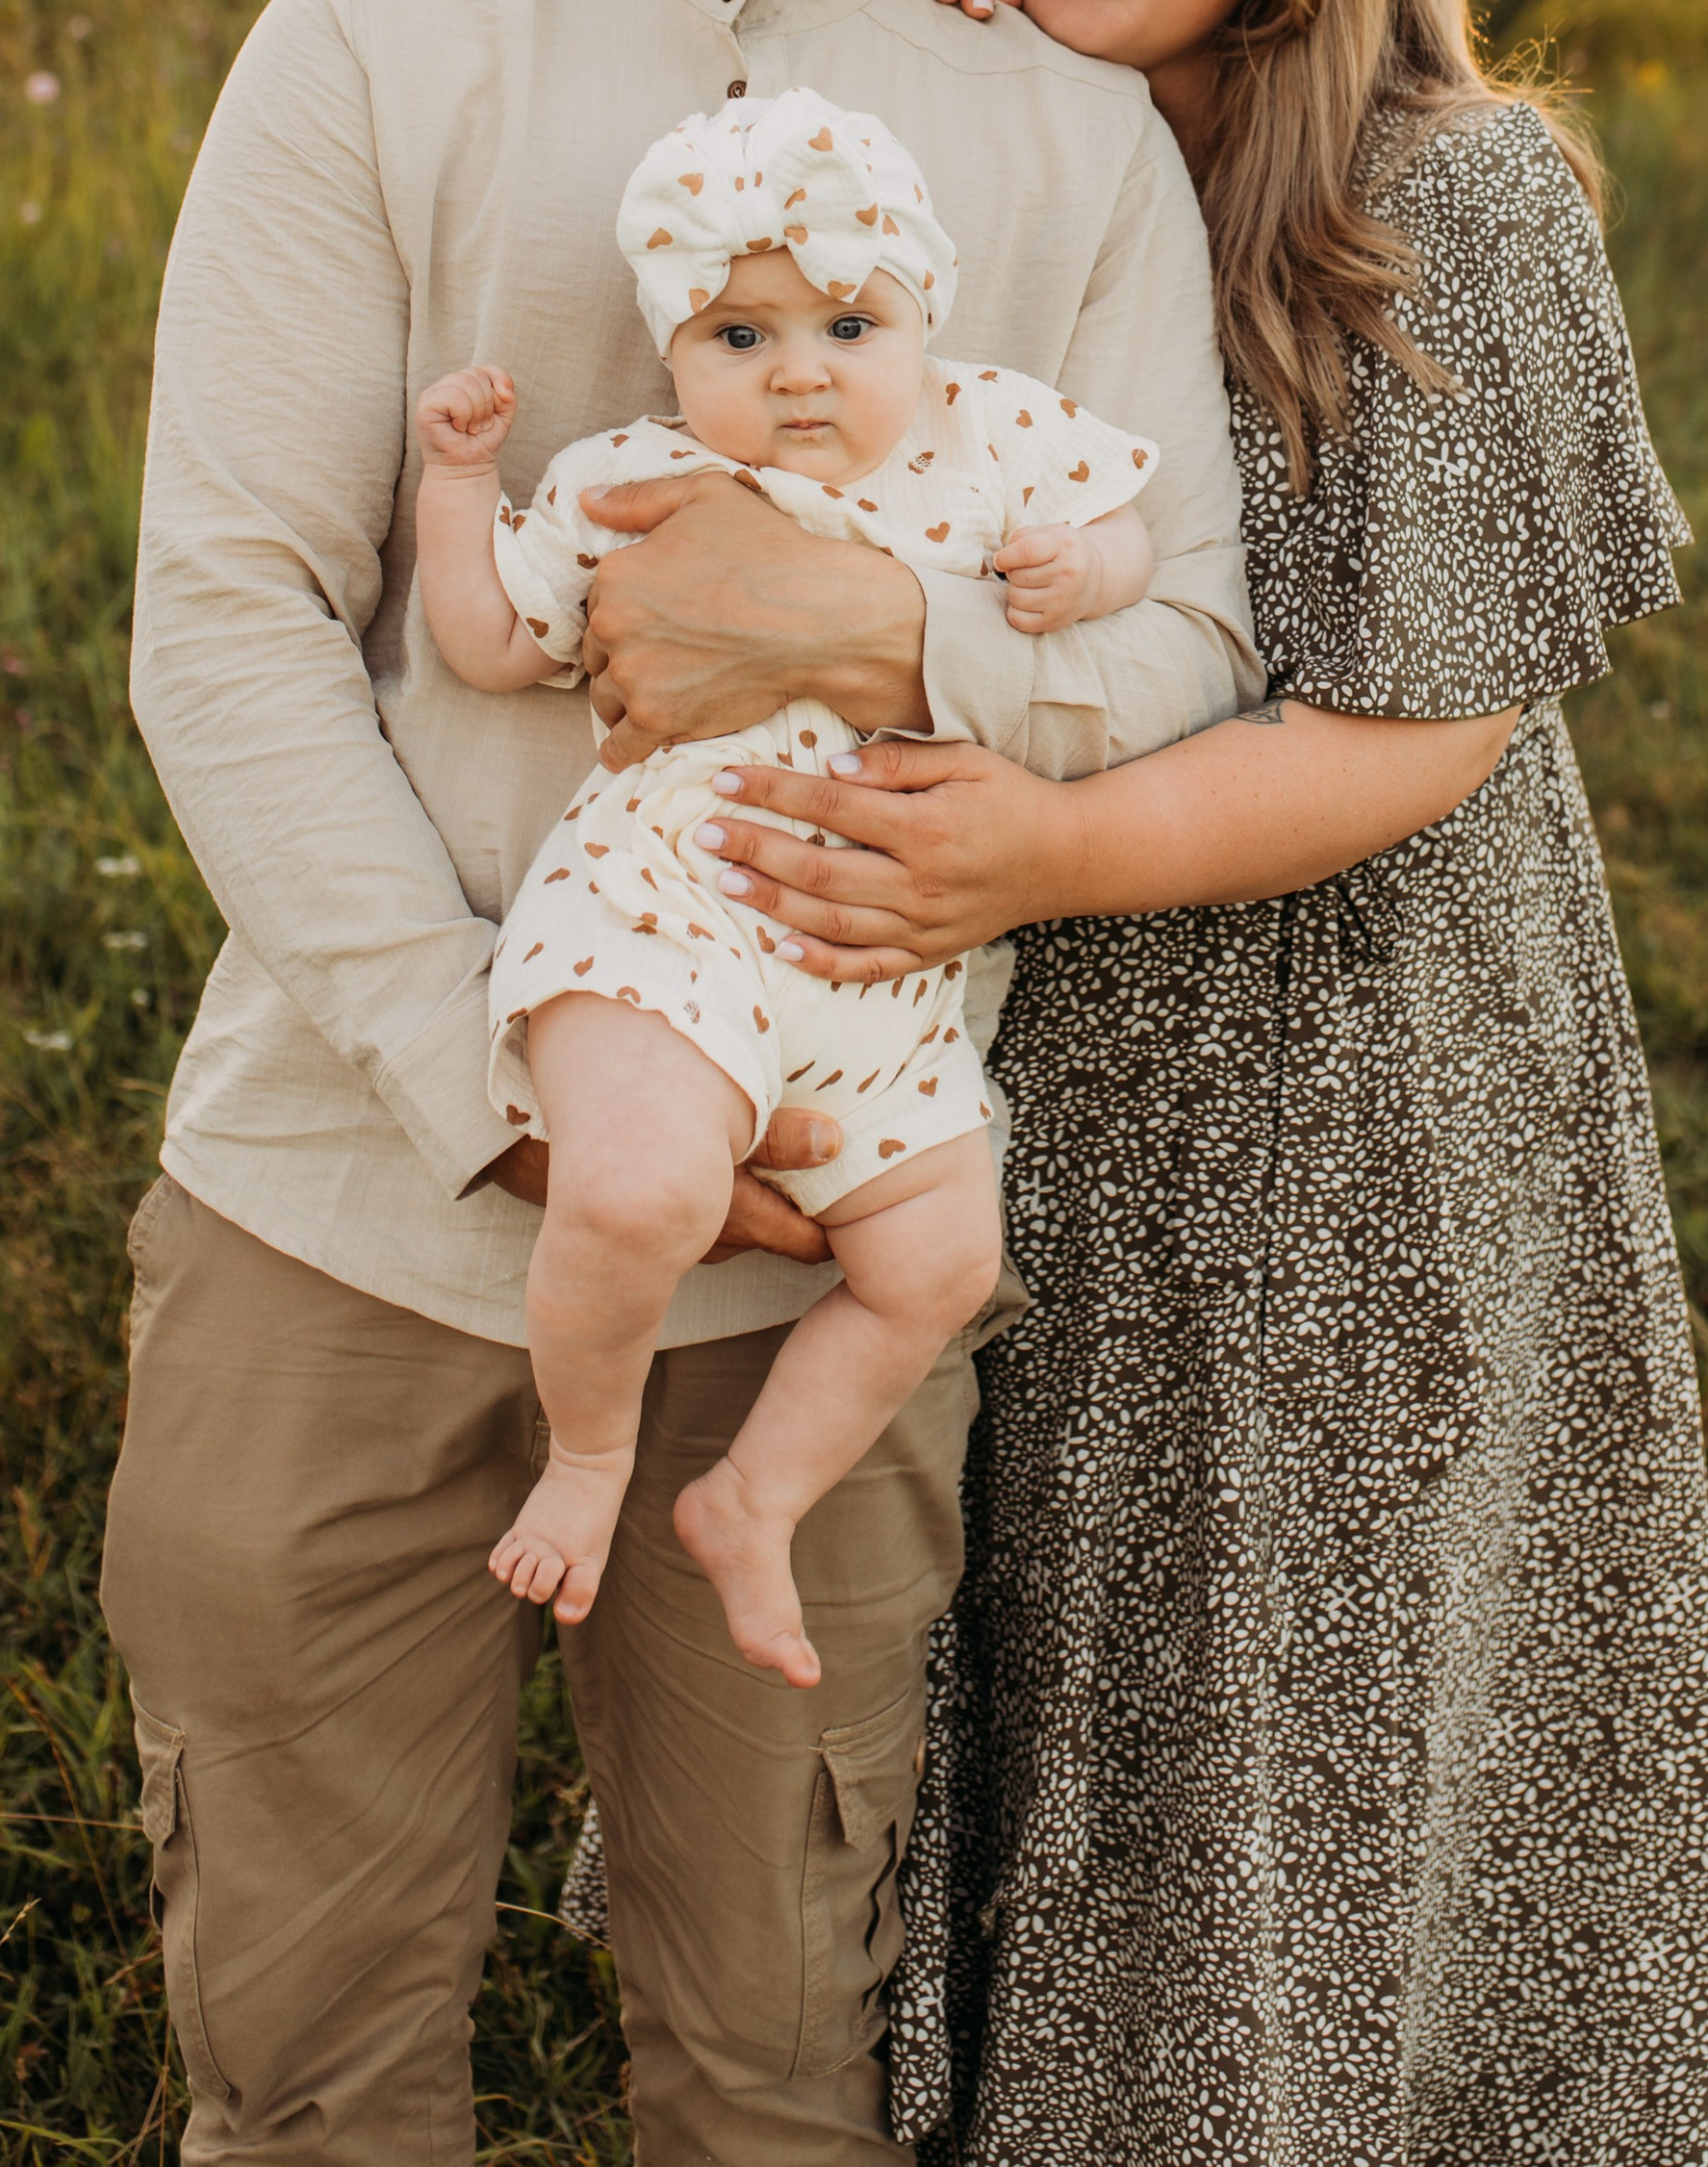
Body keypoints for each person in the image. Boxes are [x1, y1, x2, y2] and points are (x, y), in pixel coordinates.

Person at [101, 0, 1256, 2167]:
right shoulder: (374, 41)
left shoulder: (1068, 134)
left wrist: (884, 629)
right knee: (304, 2057)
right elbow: (229, 615)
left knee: (775, 2063)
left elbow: (1194, 639)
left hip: (805, 1298)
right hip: (338, 1209)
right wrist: (509, 1110)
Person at [683, 0, 1708, 2164]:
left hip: (1356, 1086)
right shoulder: (995, 164)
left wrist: (1045, 845)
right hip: (1022, 1064)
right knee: (1051, 1651)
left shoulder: (1449, 192)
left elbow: (1431, 715)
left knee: (1290, 1696)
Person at [408, 87, 1154, 1685]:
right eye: (736, 338)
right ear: (673, 353)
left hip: (882, 987)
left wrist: (1084, 574)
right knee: (639, 1190)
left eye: (846, 321)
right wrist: (462, 491)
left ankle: (758, 1495)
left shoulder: (991, 437)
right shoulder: (634, 479)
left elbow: (1128, 540)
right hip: (663, 914)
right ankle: (594, 1456)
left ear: (922, 317)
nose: (800, 368)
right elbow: (483, 646)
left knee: (941, 1263)